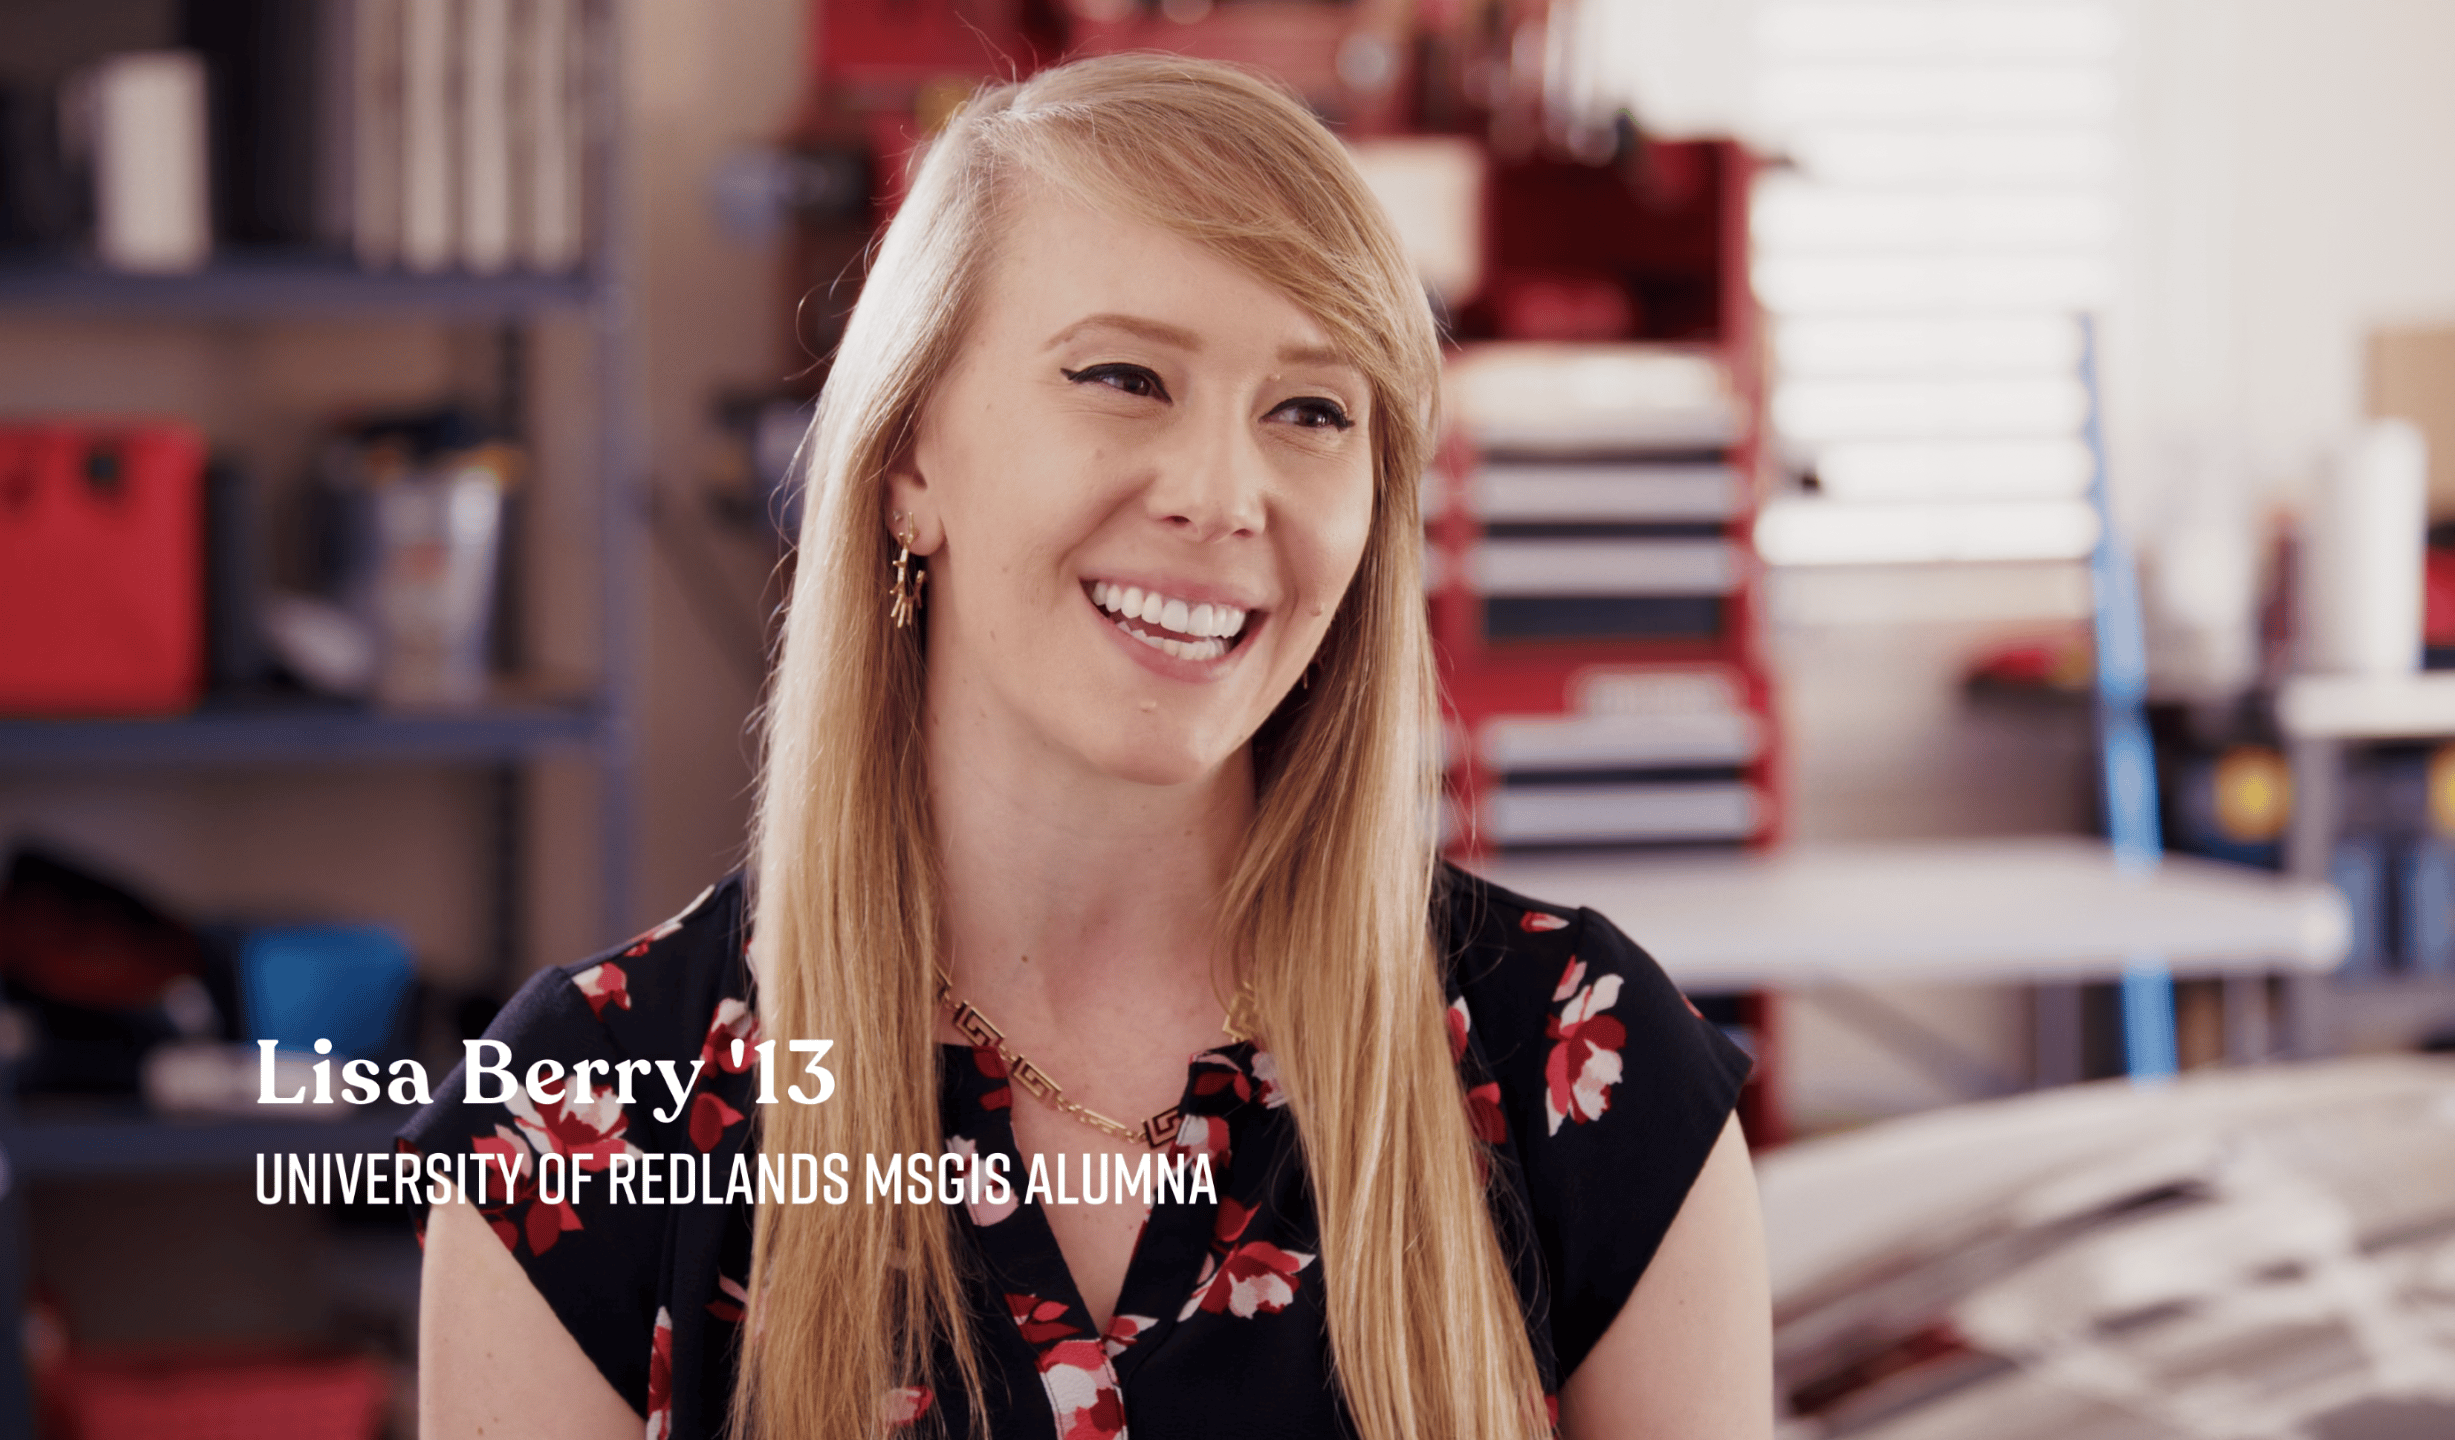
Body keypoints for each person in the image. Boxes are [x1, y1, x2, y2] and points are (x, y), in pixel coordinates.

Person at [407, 52, 1770, 1440]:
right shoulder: (578, 1127)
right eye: (1125, 377)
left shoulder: (1592, 1076)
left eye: (1311, 410)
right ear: (911, 461)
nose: (1222, 496)